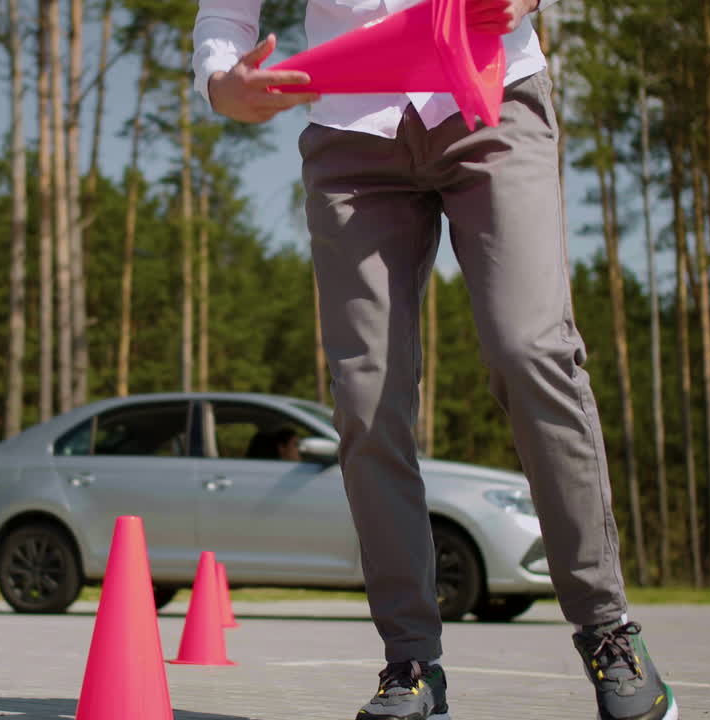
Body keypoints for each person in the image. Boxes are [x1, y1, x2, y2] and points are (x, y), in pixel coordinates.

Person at [192, 2, 678, 720]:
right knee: (367, 398)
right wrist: (219, 82)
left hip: (489, 95)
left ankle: (609, 630)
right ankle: (411, 663)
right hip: (350, 130)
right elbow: (225, 14)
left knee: (529, 349)